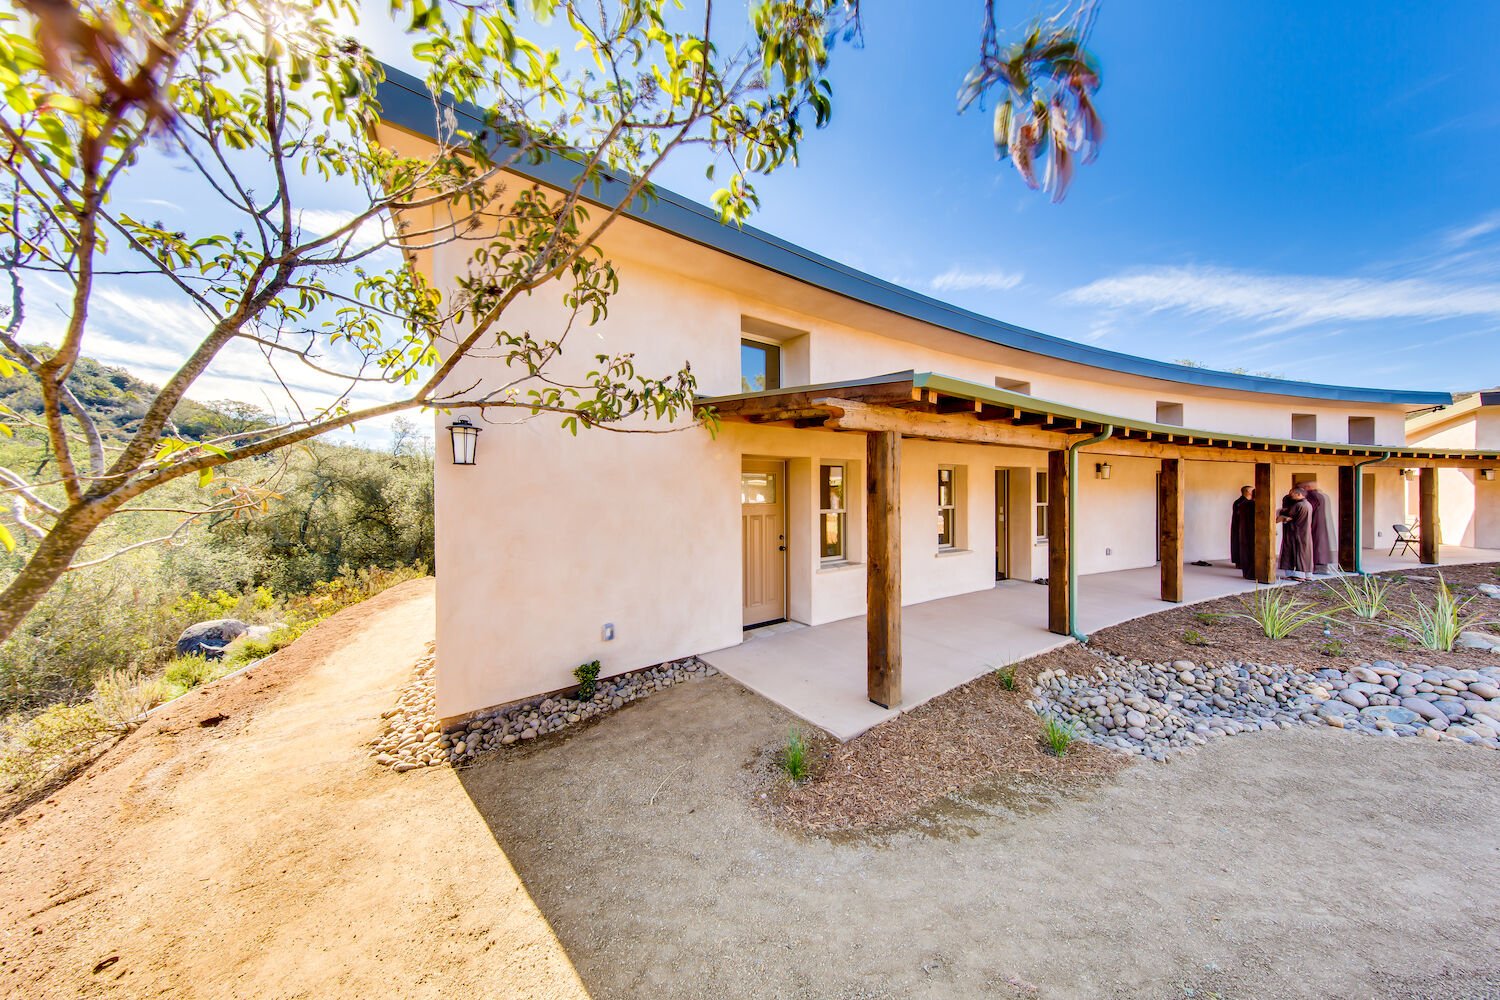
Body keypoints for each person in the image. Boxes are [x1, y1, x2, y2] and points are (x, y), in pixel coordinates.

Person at [1298, 479, 1337, 574]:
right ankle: (1321, 566)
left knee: (1315, 544)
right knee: (1321, 544)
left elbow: (1308, 508)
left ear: (1307, 487)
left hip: (1313, 523)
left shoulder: (1312, 496)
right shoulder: (1322, 496)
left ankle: (1316, 566)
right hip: (1321, 523)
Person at [1277, 486, 1314, 579]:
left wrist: (1282, 515)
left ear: (1299, 494)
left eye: (1292, 494)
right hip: (1305, 533)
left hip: (1296, 532)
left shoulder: (1298, 505)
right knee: (1305, 552)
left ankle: (1298, 574)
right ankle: (1307, 574)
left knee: (1297, 552)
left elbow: (1285, 516)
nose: (1290, 496)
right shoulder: (1308, 504)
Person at [1230, 485, 1256, 579]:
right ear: (1247, 492)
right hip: (1241, 527)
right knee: (1240, 545)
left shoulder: (1246, 502)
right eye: (1251, 491)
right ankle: (1240, 562)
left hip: (1244, 527)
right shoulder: (1241, 502)